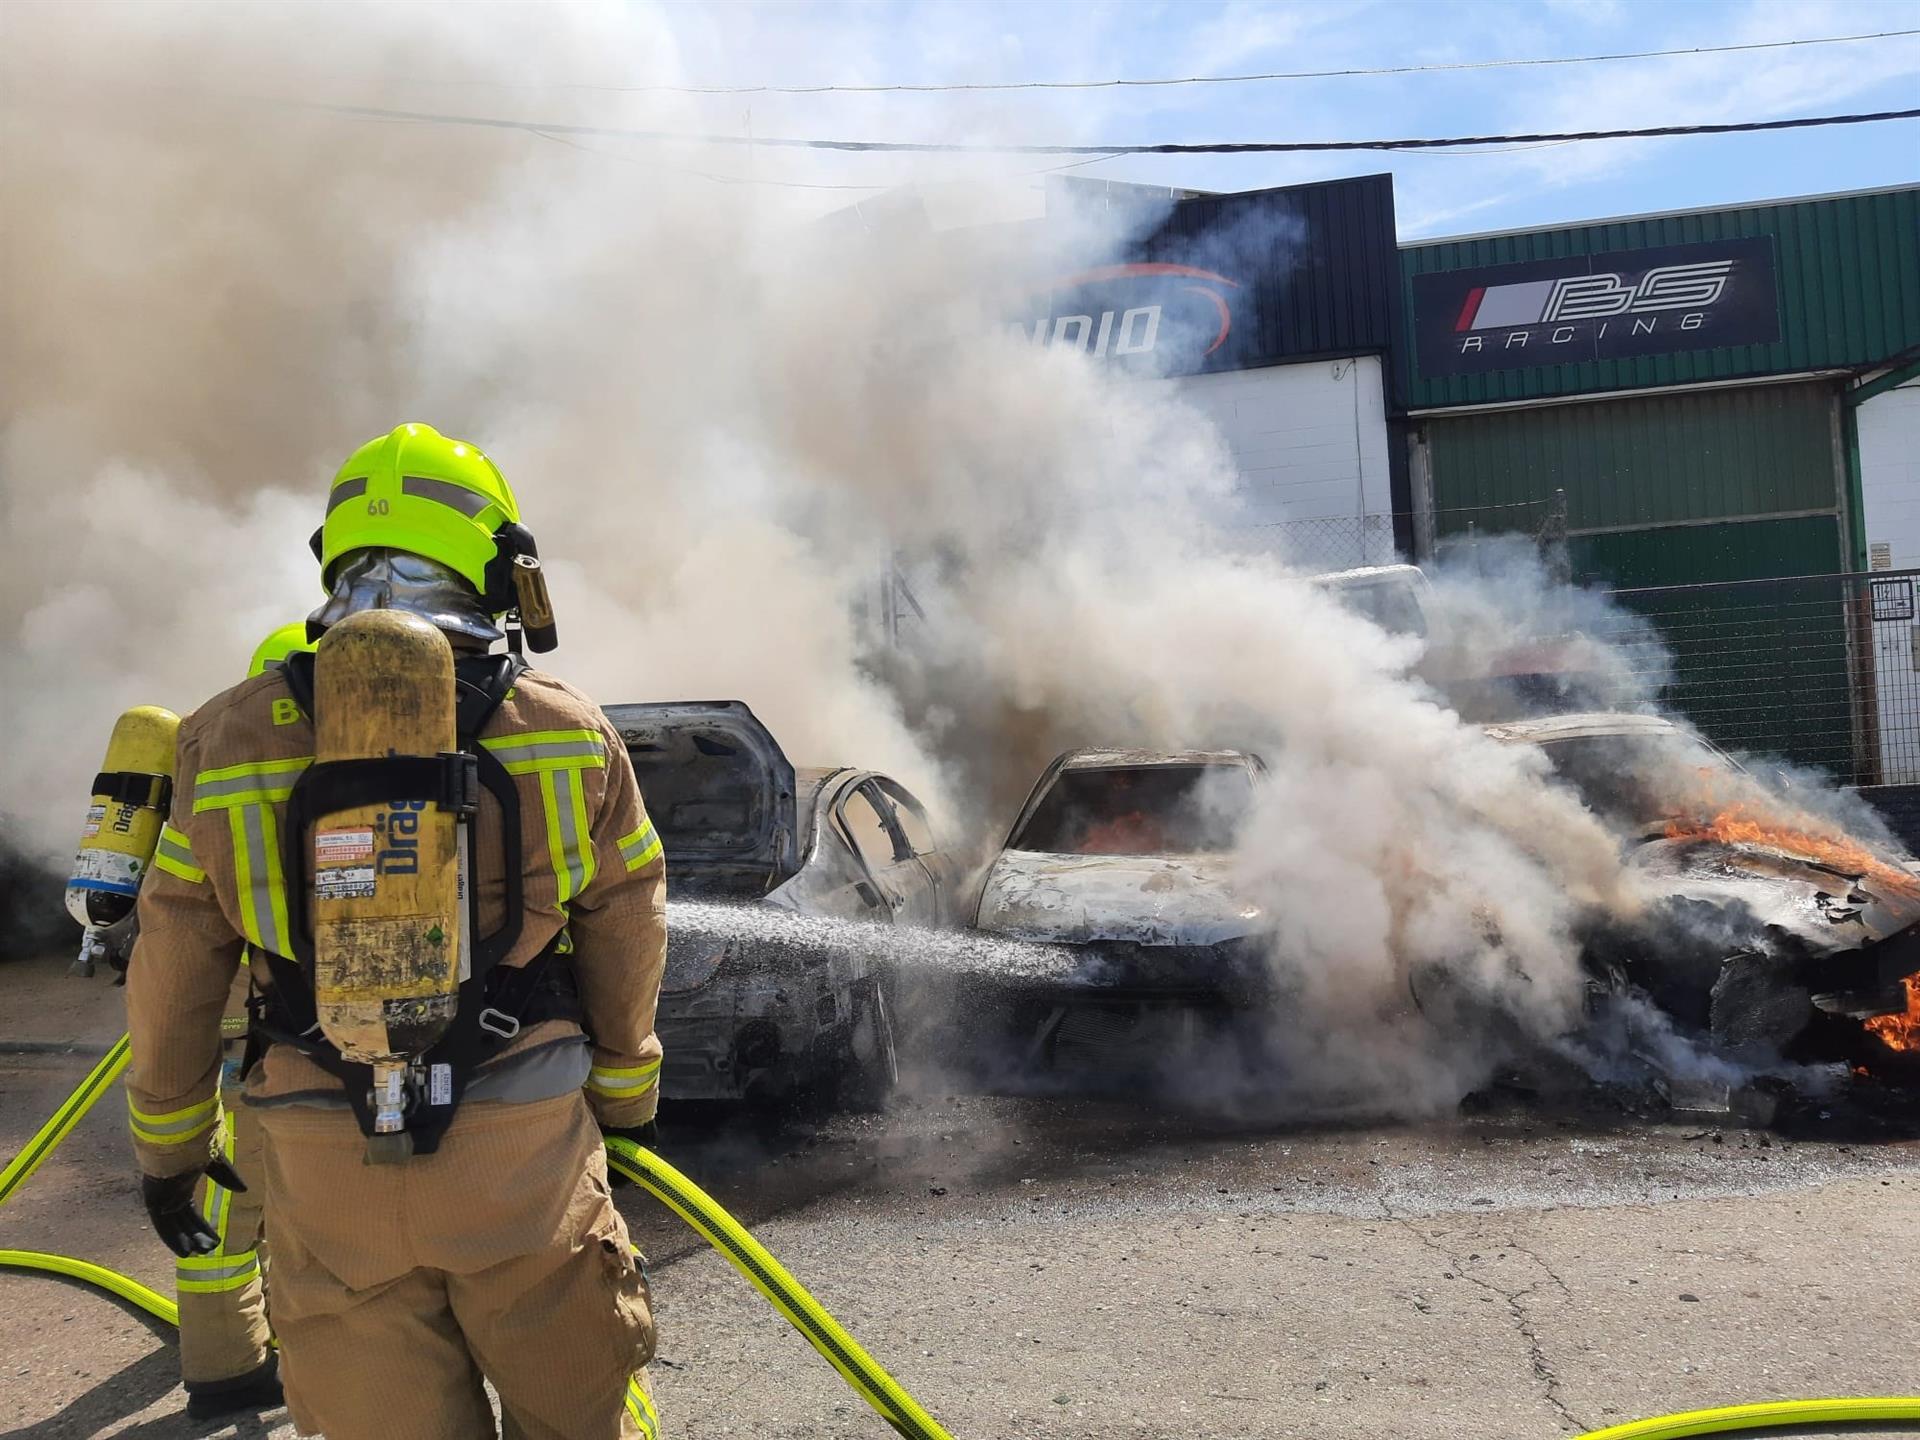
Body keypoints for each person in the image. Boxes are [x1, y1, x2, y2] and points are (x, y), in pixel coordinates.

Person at [125, 423, 667, 1438]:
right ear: (497, 563)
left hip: (321, 1163)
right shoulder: (563, 731)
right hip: (521, 1154)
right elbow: (628, 923)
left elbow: (173, 974)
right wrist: (628, 1098)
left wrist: (169, 1151)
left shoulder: (226, 736)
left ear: (335, 554)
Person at [149, 623, 313, 1417]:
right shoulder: (328, 795)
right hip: (264, 1045)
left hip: (227, 1042)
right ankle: (231, 1368)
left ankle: (235, 1352)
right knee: (253, 1203)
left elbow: (177, 946)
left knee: (228, 1207)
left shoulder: (217, 785)